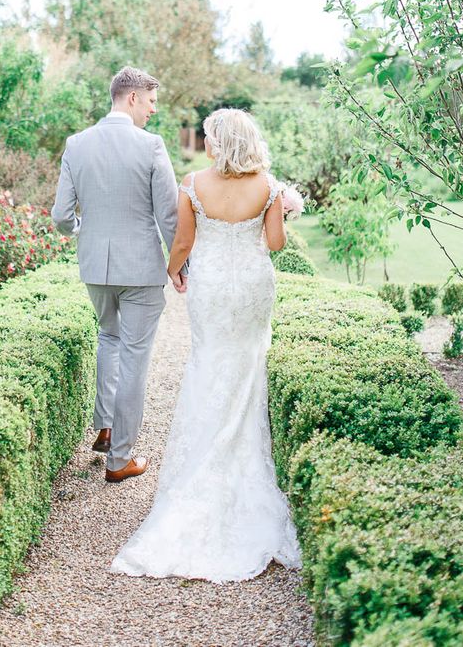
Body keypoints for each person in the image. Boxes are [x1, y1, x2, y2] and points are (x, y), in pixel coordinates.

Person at [109, 108, 302, 582]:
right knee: (248, 367)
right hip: (254, 287)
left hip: (212, 288)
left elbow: (183, 241)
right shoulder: (268, 186)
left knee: (208, 363)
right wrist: (284, 207)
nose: (206, 141)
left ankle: (202, 470)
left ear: (222, 141)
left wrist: (174, 269)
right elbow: (275, 244)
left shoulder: (194, 182)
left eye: (211, 135)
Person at [51, 66, 180, 483]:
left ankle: (105, 427)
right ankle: (119, 458)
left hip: (94, 266)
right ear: (131, 98)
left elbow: (60, 217)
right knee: (135, 358)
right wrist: (180, 266)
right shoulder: (152, 147)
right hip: (140, 269)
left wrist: (84, 232)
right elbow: (169, 216)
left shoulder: (76, 144)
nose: (153, 110)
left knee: (109, 338)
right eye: (150, 101)